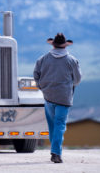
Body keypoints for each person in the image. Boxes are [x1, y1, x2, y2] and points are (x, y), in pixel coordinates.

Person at [33, 33, 82, 163]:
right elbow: (77, 80)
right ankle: (56, 153)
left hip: (48, 96)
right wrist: (69, 85)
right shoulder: (71, 60)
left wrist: (41, 86)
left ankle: (55, 151)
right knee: (60, 125)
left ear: (53, 44)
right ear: (65, 45)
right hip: (64, 97)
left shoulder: (43, 59)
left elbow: (36, 74)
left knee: (52, 126)